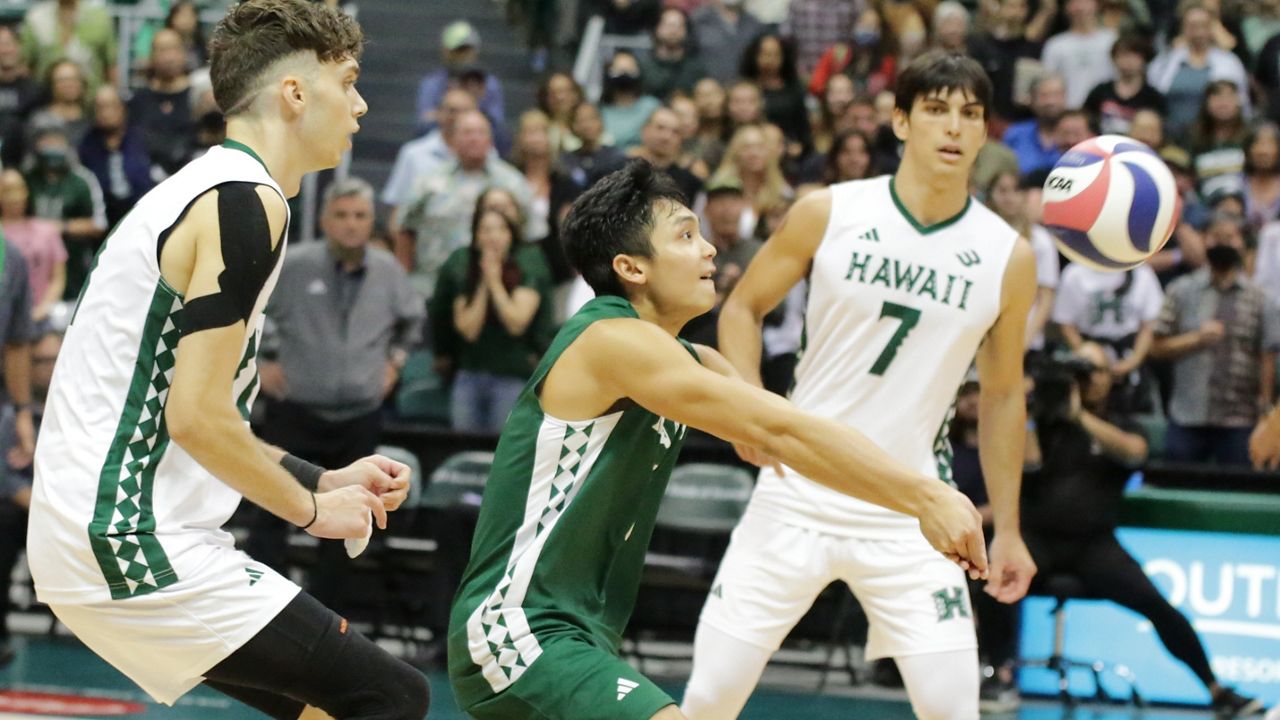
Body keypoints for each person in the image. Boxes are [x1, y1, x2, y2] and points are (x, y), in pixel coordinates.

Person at [447, 158, 989, 720]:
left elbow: (790, 436)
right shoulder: (611, 340)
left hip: (580, 634)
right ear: (631, 267)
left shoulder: (692, 360)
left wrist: (910, 496)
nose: (709, 249)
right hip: (518, 627)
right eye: (685, 235)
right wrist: (925, 496)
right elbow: (782, 429)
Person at [25, 3, 431, 719]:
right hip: (126, 534)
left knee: (330, 709)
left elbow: (190, 411)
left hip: (99, 529)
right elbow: (196, 419)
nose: (362, 104)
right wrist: (312, 510)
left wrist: (321, 475)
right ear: (295, 93)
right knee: (391, 697)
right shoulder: (245, 203)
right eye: (349, 81)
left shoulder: (206, 188)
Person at [683, 52, 1039, 720]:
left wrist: (1010, 529)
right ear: (901, 121)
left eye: (969, 114)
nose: (953, 127)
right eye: (935, 109)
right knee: (707, 700)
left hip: (916, 512)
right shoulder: (829, 210)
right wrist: (748, 414)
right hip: (795, 492)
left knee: (955, 712)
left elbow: (1001, 396)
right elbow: (740, 309)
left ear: (985, 131)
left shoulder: (1006, 256)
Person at [976, 342, 1267, 718]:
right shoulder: (1043, 422)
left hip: (1093, 546)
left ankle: (1217, 690)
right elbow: (1026, 465)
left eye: (1092, 372)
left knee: (1159, 607)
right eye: (1078, 373)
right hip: (1038, 540)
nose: (1085, 380)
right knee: (993, 585)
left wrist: (1078, 414)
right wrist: (1032, 412)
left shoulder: (1119, 421)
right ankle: (997, 676)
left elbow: (1134, 453)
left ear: (1109, 379)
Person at [252, 176, 423, 593]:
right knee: (270, 512)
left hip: (359, 415)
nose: (351, 224)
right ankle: (260, 607)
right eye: (342, 215)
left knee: (351, 521)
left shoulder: (388, 271)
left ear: (371, 223)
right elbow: (246, 311)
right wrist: (261, 362)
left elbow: (414, 319)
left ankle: (327, 617)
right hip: (295, 411)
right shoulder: (294, 265)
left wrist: (395, 364)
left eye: (360, 216)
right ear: (325, 220)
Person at [0, 330, 58, 668]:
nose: (51, 368)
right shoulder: (10, 415)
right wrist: (43, 506)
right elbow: (5, 477)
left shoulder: (84, 410)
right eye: (42, 361)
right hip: (25, 507)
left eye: (56, 359)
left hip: (65, 512)